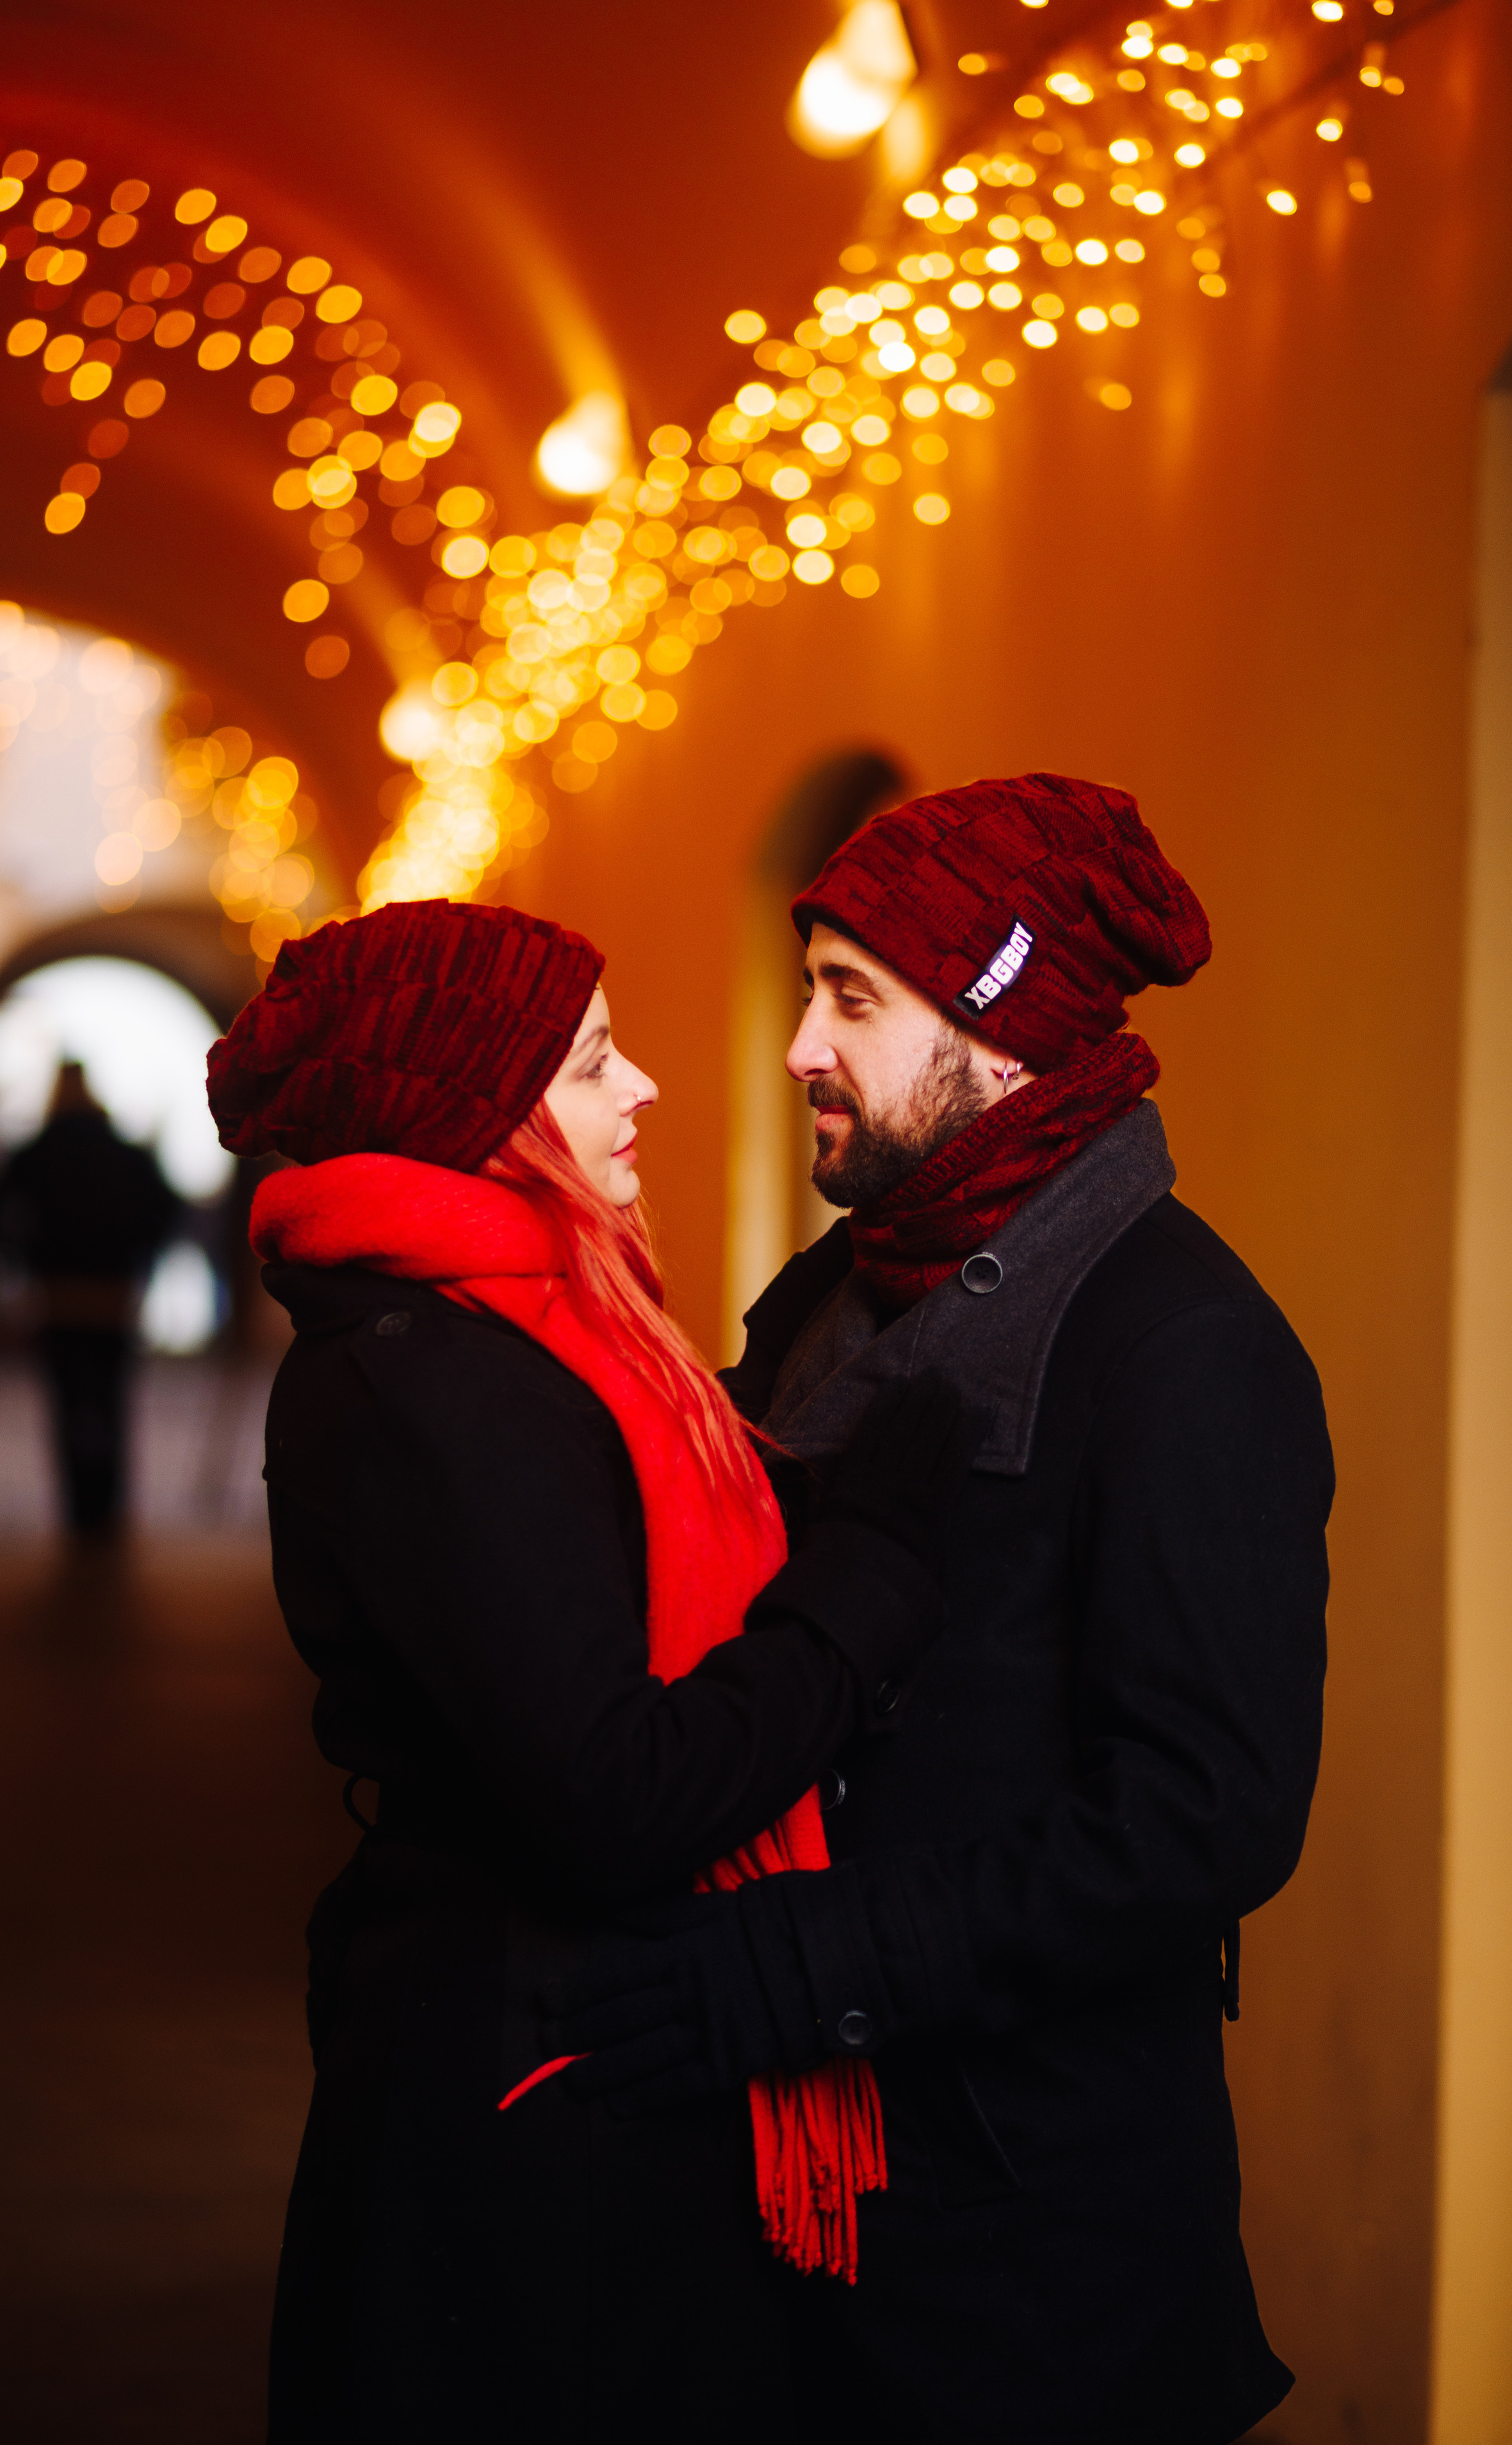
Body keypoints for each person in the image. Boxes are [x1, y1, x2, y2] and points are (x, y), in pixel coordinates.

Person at [558, 775, 1335, 2445]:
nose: (796, 1054)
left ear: (1005, 1027)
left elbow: (1204, 1819)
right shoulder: (836, 1294)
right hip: (781, 2207)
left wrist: (804, 1962)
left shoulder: (1185, 1348)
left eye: (854, 1000)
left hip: (1035, 2255)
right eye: (809, 992)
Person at [204, 899, 978, 2445]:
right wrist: (865, 1583)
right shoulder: (426, 1374)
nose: (641, 1093)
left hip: (569, 2056)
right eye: (587, 1064)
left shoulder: (542, 1325)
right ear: (468, 1108)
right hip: (522, 2109)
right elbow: (616, 1794)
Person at [0, 1059, 179, 1536]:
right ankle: (109, 1507)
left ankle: (77, 1511)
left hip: (57, 1294)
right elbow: (169, 1210)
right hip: (114, 1294)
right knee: (113, 1401)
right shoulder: (127, 1154)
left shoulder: (34, 1152)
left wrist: (18, 1260)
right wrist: (143, 1261)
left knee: (67, 1402)